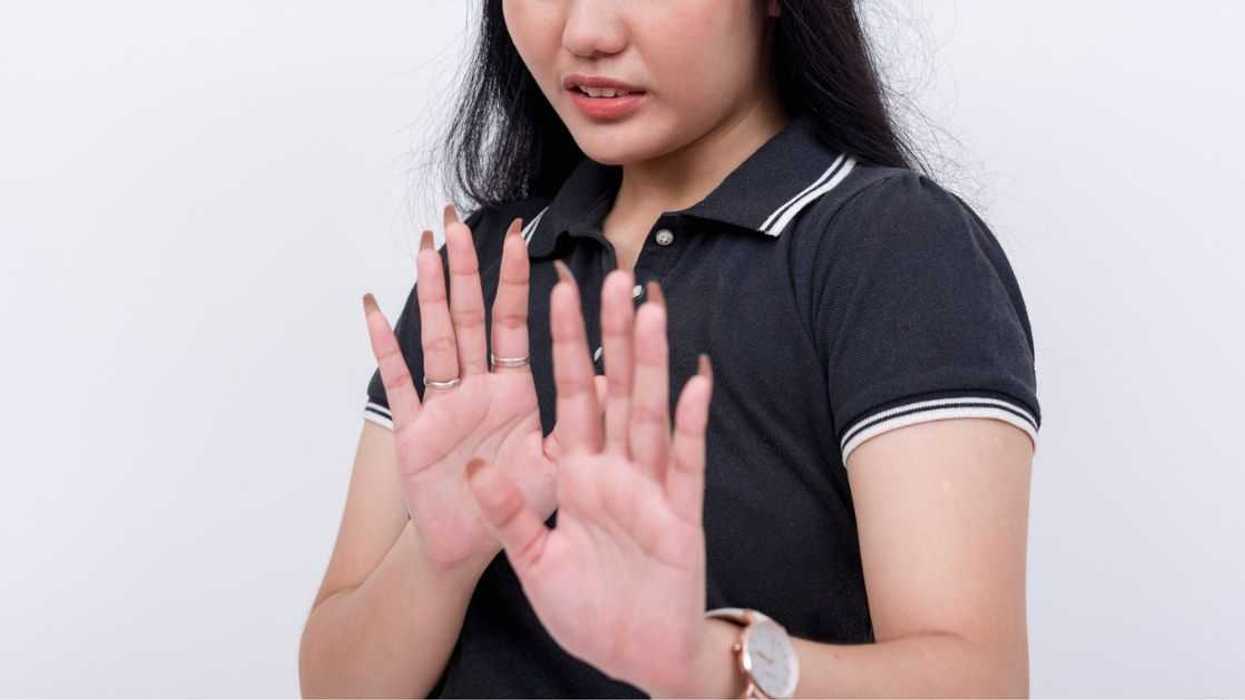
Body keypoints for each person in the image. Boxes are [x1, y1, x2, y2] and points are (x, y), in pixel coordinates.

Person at [299, 1, 1041, 697]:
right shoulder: (484, 265)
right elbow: (334, 684)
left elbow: (978, 679)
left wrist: (704, 663)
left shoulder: (892, 247)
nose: (586, 33)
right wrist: (439, 559)